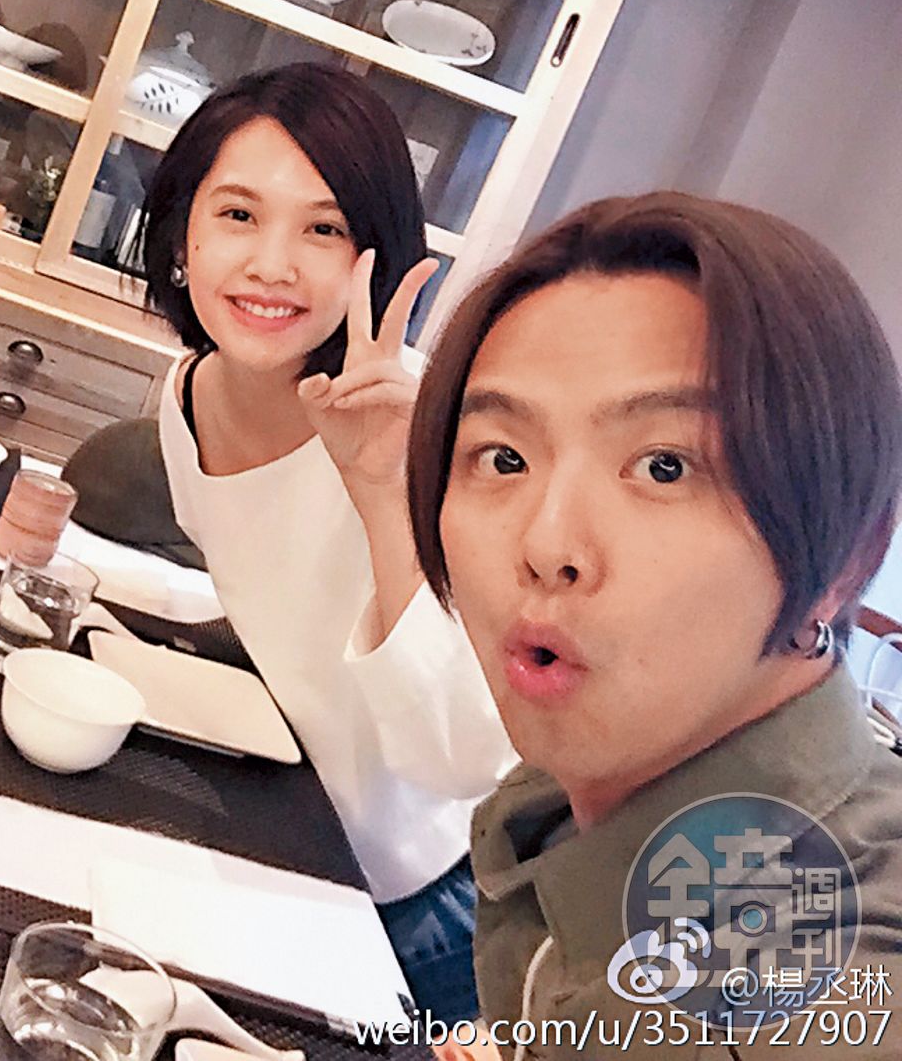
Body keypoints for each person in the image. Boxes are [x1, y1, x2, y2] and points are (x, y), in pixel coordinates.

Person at [407, 192, 902, 1057]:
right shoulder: (565, 800)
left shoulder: (833, 970)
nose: (547, 544)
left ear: (845, 558)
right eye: (504, 457)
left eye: (665, 466)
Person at [135, 62, 515, 1021]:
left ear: (373, 257)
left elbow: (462, 758)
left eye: (323, 229)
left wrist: (386, 487)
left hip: (419, 909)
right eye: (238, 214)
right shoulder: (188, 393)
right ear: (180, 234)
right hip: (281, 830)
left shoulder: (430, 431)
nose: (273, 264)